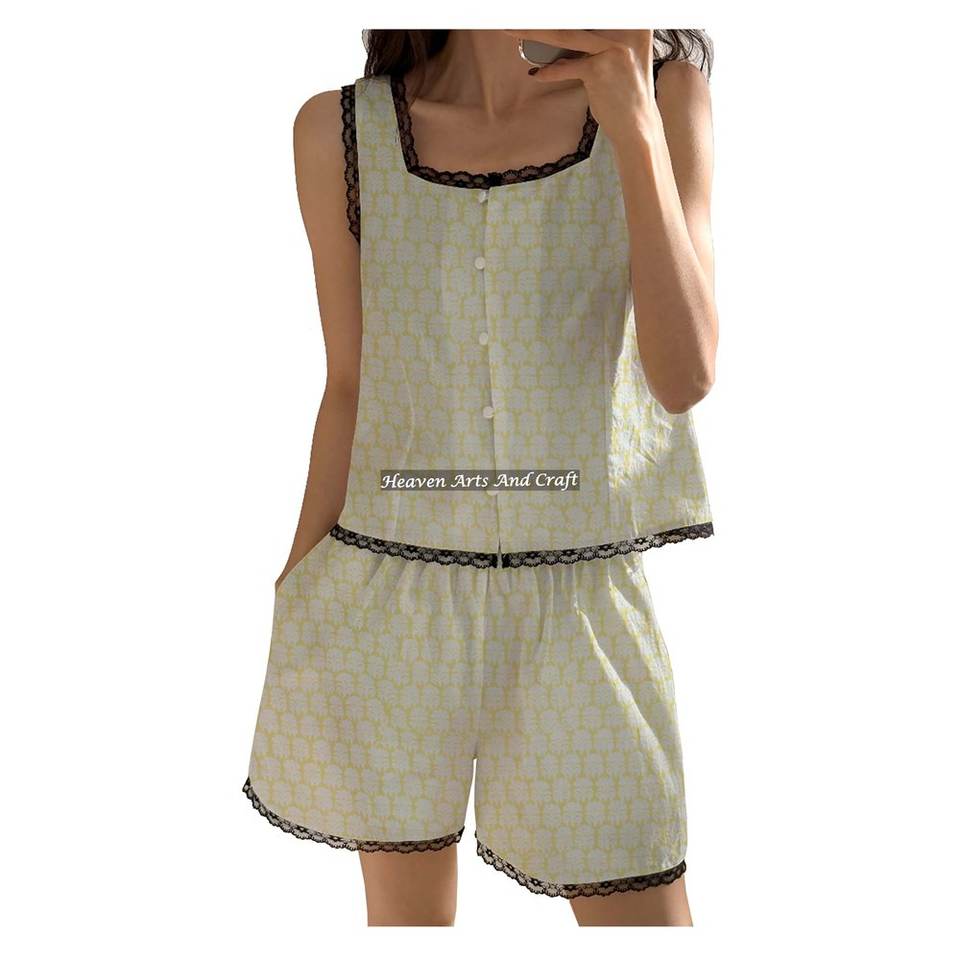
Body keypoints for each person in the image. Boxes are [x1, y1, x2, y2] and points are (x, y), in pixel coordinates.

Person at [241, 28, 718, 927]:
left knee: (647, 915)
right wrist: (298, 587)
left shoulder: (666, 95)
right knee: (408, 927)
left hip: (581, 603)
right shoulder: (339, 133)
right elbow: (350, 385)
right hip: (387, 591)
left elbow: (685, 375)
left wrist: (632, 123)